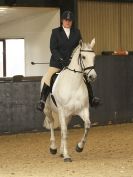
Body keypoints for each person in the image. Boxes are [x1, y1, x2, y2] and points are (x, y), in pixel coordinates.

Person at [37, 10, 100, 112]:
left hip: (72, 63)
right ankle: (42, 100)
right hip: (57, 63)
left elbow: (80, 47)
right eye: (66, 20)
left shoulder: (76, 32)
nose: (68, 22)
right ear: (62, 20)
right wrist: (61, 59)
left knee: (84, 76)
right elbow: (53, 48)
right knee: (48, 76)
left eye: (70, 20)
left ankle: (92, 99)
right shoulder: (55, 32)